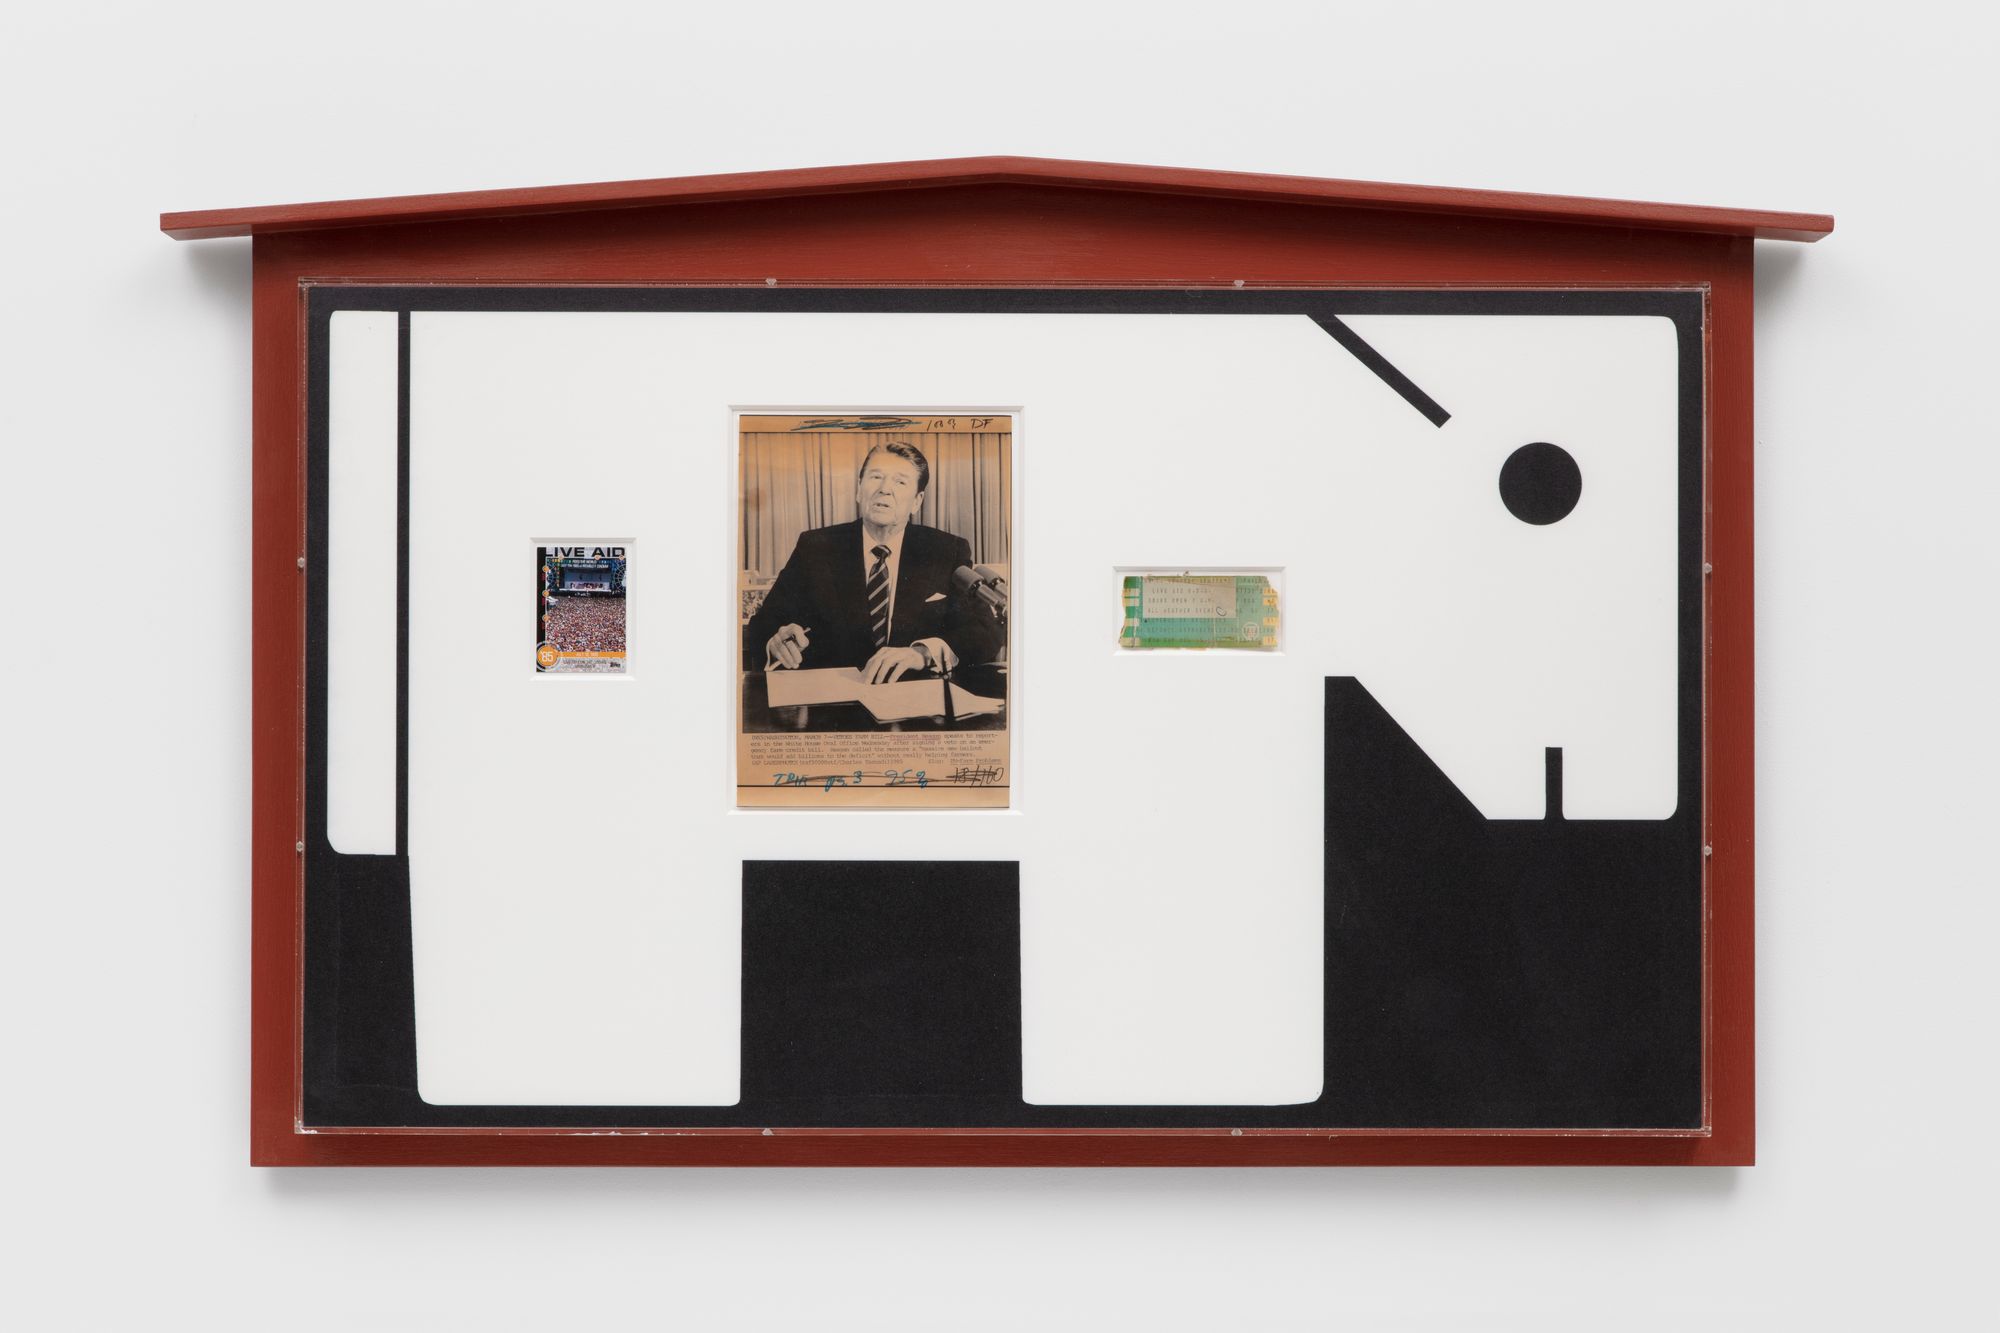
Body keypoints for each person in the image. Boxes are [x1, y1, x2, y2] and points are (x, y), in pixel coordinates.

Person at [744, 440, 1003, 682]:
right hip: (833, 700)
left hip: (916, 699)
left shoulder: (945, 551)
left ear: (917, 501)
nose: (884, 489)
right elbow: (762, 625)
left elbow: (985, 633)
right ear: (859, 490)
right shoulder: (816, 546)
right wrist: (776, 640)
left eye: (900, 482)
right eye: (876, 477)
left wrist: (922, 653)